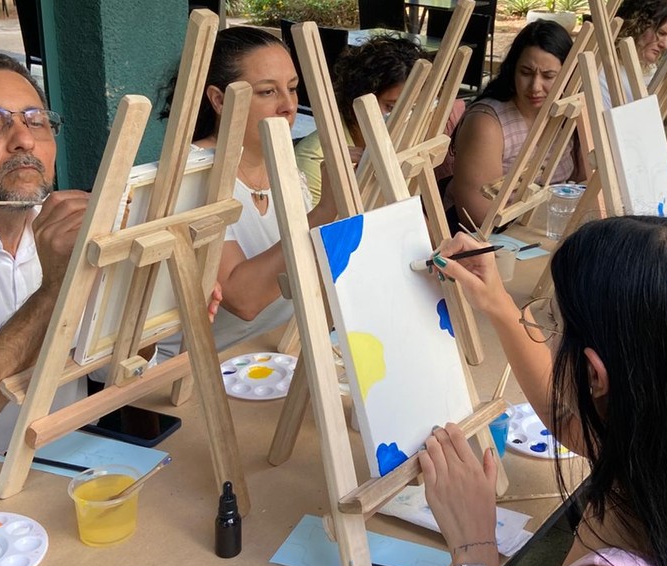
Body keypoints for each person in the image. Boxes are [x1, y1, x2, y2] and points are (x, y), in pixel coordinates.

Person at [420, 215, 667, 566]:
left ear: (593, 375)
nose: (546, 333)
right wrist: (498, 303)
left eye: (552, 321)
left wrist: (474, 551)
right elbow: (568, 420)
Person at [158, 26, 336, 359]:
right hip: (206, 368)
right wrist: (325, 212)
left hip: (279, 350)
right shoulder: (190, 177)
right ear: (219, 100)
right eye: (267, 92)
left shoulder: (286, 170)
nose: (288, 106)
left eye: (292, 88)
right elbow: (242, 299)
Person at [0, 51, 89, 464]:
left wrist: (151, 294)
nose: (24, 140)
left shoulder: (69, 230)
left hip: (76, 467)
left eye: (36, 121)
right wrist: (53, 292)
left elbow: (113, 370)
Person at [445, 20, 587, 228]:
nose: (535, 86)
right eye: (526, 72)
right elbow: (478, 218)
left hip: (549, 229)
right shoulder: (487, 123)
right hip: (492, 235)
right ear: (512, 70)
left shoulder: (569, 111)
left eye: (548, 76)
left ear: (569, 76)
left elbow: (586, 181)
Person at [294, 36, 450, 207]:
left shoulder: (406, 148)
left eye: (414, 109)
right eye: (392, 107)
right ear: (358, 99)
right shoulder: (317, 157)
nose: (405, 118)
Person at [600, 0, 667, 108]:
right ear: (637, 26)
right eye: (661, 33)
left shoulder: (650, 70)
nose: (665, 45)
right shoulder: (603, 72)